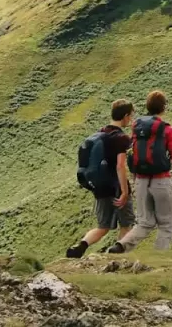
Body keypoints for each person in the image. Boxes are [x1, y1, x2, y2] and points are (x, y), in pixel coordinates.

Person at [108, 90, 172, 253]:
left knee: (144, 223)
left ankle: (121, 245)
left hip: (140, 181)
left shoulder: (136, 125)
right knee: (166, 224)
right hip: (161, 181)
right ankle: (158, 261)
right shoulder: (167, 130)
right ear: (164, 107)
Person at [67, 99, 135, 258]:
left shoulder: (100, 134)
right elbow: (120, 166)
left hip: (100, 188)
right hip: (116, 188)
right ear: (125, 116)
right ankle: (117, 256)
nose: (130, 119)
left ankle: (81, 245)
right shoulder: (121, 138)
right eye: (130, 116)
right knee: (126, 224)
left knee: (103, 226)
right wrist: (124, 191)